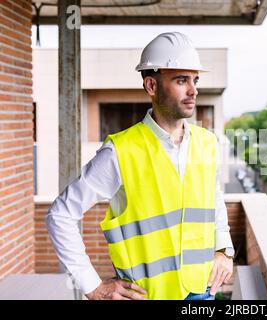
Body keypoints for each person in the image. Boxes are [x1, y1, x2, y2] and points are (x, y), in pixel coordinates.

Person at [46, 32, 235, 300]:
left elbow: (214, 201)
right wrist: (93, 287)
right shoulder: (121, 151)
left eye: (195, 80)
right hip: (145, 296)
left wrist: (224, 250)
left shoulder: (207, 143)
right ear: (151, 86)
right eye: (181, 80)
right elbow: (60, 215)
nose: (193, 90)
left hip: (201, 291)